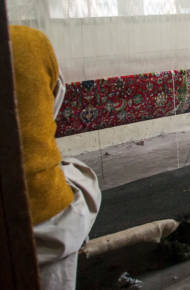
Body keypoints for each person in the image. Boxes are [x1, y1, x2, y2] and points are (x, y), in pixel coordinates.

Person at [10, 25, 101, 290]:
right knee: (82, 177)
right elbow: (52, 104)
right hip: (47, 219)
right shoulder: (28, 42)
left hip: (37, 218)